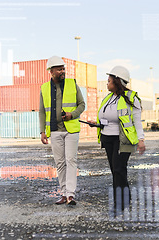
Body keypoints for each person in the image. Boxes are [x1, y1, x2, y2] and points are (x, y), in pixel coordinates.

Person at [91, 65, 146, 210]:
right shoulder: (108, 98)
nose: (107, 83)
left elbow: (136, 121)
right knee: (115, 170)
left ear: (117, 81)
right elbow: (106, 119)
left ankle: (120, 202)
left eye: (109, 80)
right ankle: (122, 200)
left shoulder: (131, 99)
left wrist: (141, 140)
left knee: (119, 169)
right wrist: (96, 124)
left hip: (123, 140)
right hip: (107, 138)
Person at [39, 56, 85, 206]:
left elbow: (82, 104)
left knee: (71, 160)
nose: (62, 71)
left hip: (71, 129)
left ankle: (71, 195)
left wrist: (73, 115)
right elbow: (41, 111)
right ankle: (64, 194)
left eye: (63, 68)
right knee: (60, 163)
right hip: (54, 130)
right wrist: (42, 131)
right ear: (51, 71)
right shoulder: (44, 88)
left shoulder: (72, 84)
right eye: (59, 69)